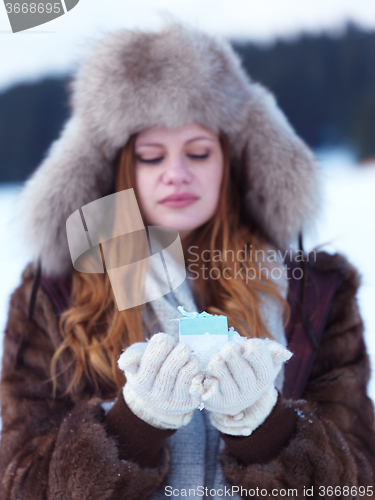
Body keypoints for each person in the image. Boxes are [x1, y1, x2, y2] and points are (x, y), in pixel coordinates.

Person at [0, 23, 374, 500]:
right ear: (121, 168)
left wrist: (266, 428)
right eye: (152, 156)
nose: (176, 174)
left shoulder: (314, 293)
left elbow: (356, 484)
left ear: (232, 160)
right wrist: (132, 427)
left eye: (197, 152)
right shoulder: (55, 296)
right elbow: (20, 485)